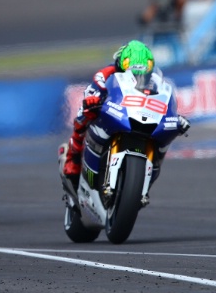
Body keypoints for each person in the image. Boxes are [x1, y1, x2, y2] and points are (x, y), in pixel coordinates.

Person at [60, 40, 190, 185]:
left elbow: (166, 101)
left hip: (138, 114)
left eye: (145, 66)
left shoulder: (156, 81)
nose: (138, 73)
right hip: (112, 107)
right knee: (82, 115)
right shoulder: (108, 73)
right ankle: (73, 158)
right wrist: (93, 99)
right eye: (129, 64)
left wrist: (174, 117)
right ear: (122, 62)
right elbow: (94, 88)